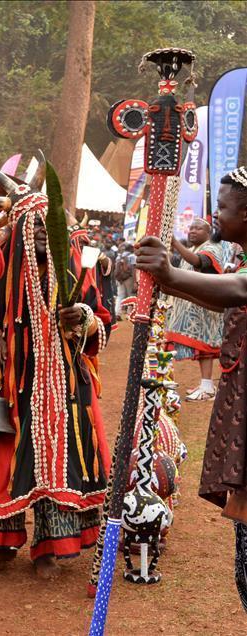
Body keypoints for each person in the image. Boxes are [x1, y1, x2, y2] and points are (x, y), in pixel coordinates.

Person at [0, 163, 111, 580]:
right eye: (28, 227)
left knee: (59, 460)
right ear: (15, 229)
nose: (36, 236)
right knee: (1, 459)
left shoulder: (77, 268)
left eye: (43, 227)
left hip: (63, 386)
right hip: (8, 383)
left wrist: (82, 318)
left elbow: (102, 318)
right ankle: (0, 544)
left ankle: (50, 546)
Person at [134, 166, 247, 611]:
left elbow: (238, 289)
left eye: (221, 207)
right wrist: (168, 279)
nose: (214, 215)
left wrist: (172, 277)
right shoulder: (237, 256)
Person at [164, 218, 225, 401]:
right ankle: (205, 385)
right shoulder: (190, 250)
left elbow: (199, 262)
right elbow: (177, 264)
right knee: (201, 349)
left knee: (205, 348)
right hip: (192, 309)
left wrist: (175, 243)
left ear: (208, 233)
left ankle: (207, 388)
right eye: (190, 228)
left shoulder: (213, 248)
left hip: (206, 307)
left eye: (198, 228)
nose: (192, 231)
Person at [114, 242, 138, 319]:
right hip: (129, 278)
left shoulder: (119, 256)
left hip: (120, 279)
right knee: (131, 295)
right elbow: (134, 269)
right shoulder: (132, 256)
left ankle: (117, 313)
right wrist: (135, 282)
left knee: (120, 296)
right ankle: (130, 314)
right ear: (131, 249)